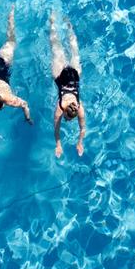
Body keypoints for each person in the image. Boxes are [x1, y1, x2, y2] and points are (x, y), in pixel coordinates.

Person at [48, 10, 87, 158]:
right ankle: (55, 21)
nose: (67, 119)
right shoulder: (60, 110)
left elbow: (83, 128)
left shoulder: (79, 107)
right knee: (56, 46)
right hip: (60, 77)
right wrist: (61, 144)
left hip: (75, 75)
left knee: (73, 50)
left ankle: (64, 23)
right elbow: (57, 130)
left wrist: (79, 142)